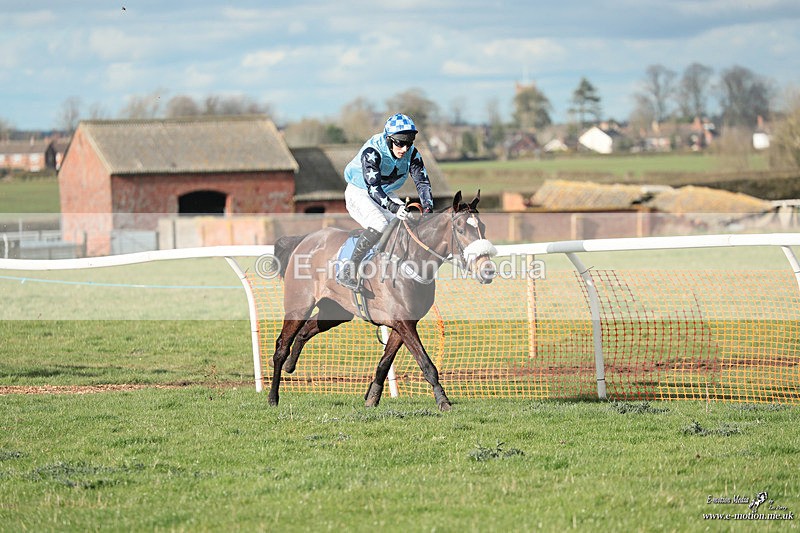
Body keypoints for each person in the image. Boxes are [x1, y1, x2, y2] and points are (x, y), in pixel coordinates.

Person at [337, 113, 434, 290]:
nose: (404, 149)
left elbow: (422, 182)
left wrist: (428, 210)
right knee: (380, 224)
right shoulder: (372, 152)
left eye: (409, 143)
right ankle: (348, 270)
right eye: (400, 143)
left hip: (385, 192)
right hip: (359, 192)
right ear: (388, 139)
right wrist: (393, 207)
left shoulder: (412, 153)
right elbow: (373, 188)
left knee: (407, 222)